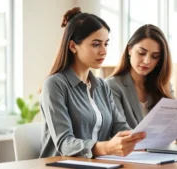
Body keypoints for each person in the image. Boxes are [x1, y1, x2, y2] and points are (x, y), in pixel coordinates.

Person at [39, 7, 145, 159]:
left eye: (106, 44)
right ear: (73, 46)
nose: (103, 51)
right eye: (96, 44)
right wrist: (106, 147)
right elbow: (64, 143)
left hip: (96, 164)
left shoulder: (102, 86)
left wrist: (144, 136)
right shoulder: (54, 85)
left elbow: (120, 128)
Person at [106, 24, 177, 145]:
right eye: (141, 53)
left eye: (155, 56)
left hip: (160, 156)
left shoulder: (162, 85)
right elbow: (120, 130)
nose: (147, 61)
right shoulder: (112, 86)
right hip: (132, 157)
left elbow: (175, 128)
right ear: (129, 49)